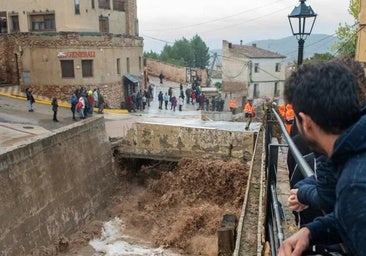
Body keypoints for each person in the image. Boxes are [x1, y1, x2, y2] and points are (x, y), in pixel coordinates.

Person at [278, 61, 366, 256]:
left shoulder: (355, 184)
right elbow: (350, 217)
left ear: (306, 123)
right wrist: (311, 232)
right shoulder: (353, 156)